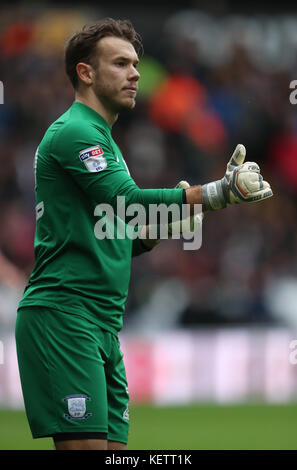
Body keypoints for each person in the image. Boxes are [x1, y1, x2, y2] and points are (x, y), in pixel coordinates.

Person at [15, 18, 273, 451]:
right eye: (120, 63)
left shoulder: (105, 140)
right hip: (64, 314)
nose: (135, 73)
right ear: (86, 72)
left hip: (102, 323)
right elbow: (125, 199)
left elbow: (116, 235)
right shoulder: (76, 131)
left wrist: (163, 227)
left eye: (135, 63)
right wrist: (216, 193)